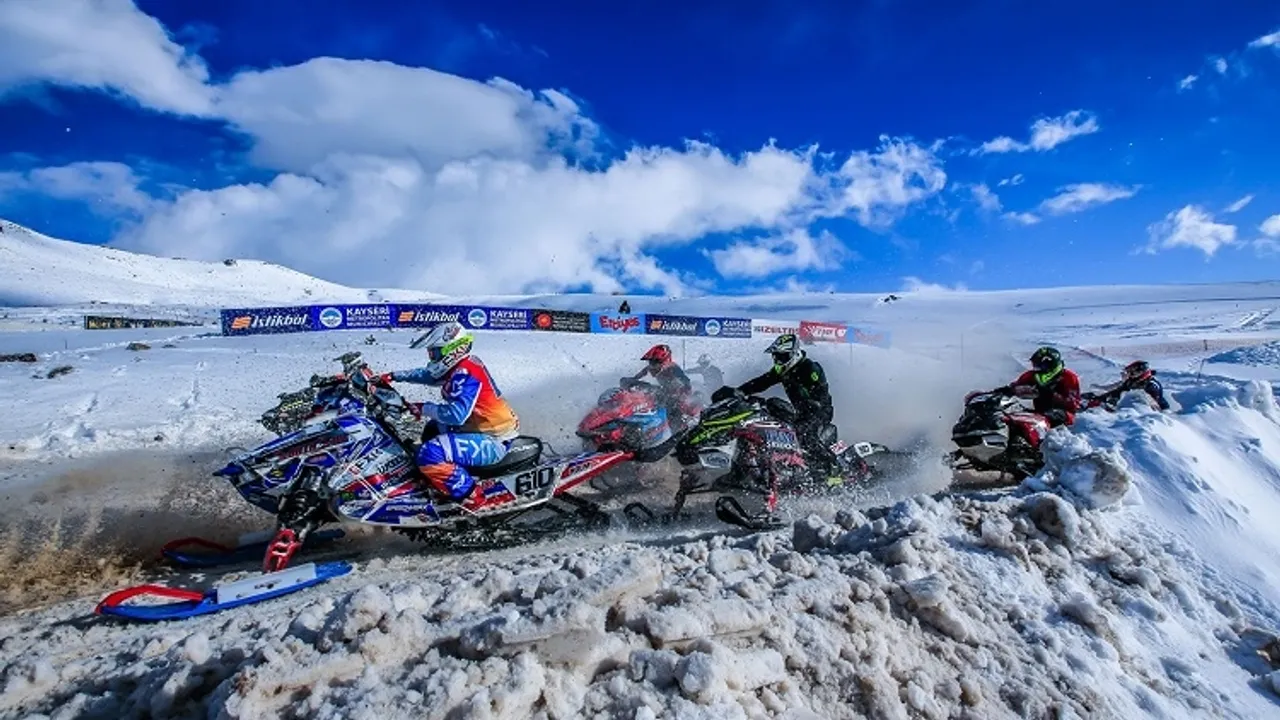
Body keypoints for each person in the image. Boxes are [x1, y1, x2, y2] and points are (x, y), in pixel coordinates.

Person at [378, 322, 519, 505]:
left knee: (430, 452)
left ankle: (473, 497)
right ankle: (442, 480)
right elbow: (428, 375)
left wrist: (423, 408)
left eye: (434, 352)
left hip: (494, 440)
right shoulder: (462, 366)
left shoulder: (466, 372)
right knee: (432, 429)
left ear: (452, 350)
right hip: (482, 430)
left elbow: (456, 415)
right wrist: (393, 376)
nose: (431, 357)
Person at [735, 333, 838, 472]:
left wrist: (815, 403)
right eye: (776, 356)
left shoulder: (810, 368)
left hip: (820, 411)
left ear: (794, 354)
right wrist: (739, 391)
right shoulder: (782, 370)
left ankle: (833, 468)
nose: (779, 360)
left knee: (804, 435)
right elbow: (762, 382)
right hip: (801, 412)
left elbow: (822, 393)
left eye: (783, 356)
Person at [994, 346, 1082, 427]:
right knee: (1012, 414)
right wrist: (1005, 391)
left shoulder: (1069, 378)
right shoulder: (1031, 375)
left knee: (1047, 416)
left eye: (1039, 366)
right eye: (1035, 365)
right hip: (1039, 412)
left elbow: (1073, 404)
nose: (1036, 368)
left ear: (1050, 365)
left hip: (1063, 414)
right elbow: (1015, 386)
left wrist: (1052, 395)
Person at [627, 344, 695, 426]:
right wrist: (632, 381)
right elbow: (641, 374)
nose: (652, 365)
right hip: (665, 392)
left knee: (674, 412)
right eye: (651, 362)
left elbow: (686, 383)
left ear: (665, 360)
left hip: (677, 397)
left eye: (655, 362)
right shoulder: (651, 367)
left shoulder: (673, 368)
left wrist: (681, 395)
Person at [1085, 360, 1170, 411]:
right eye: (1129, 372)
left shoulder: (1152, 385)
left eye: (1132, 372)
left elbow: (1152, 404)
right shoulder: (1132, 381)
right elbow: (1117, 392)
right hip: (1134, 410)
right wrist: (1099, 398)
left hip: (1158, 415)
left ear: (1141, 372)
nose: (1129, 374)